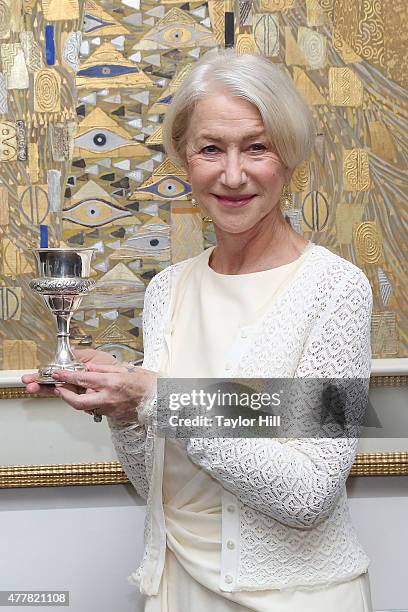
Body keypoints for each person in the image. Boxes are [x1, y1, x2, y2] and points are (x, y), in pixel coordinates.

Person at [23, 49, 374, 611]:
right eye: (211, 149)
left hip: (295, 598)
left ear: (288, 156)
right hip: (173, 588)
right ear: (183, 160)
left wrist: (158, 399)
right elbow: (161, 484)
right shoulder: (169, 289)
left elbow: (308, 492)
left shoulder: (336, 289)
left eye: (256, 147)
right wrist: (125, 411)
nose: (233, 174)